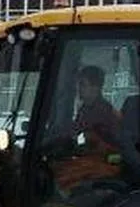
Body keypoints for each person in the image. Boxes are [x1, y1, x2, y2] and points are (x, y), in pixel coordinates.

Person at [51, 65, 124, 193]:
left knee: (63, 177)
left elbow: (110, 147)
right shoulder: (85, 109)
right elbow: (74, 131)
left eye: (83, 84)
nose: (79, 89)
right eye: (78, 85)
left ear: (96, 87)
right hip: (93, 158)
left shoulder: (103, 112)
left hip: (107, 162)